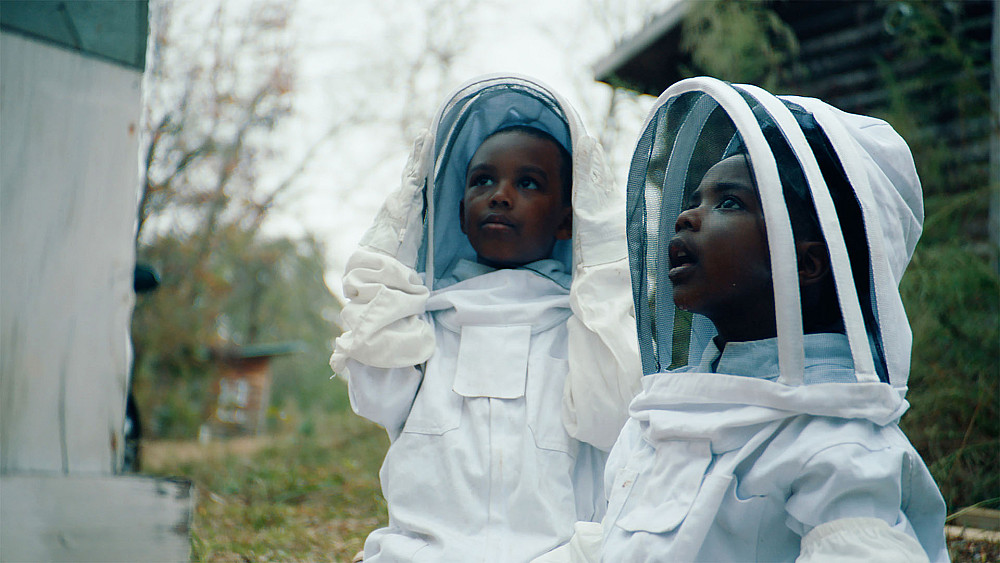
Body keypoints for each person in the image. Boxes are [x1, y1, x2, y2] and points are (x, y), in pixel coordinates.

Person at [537, 77, 948, 562]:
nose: (687, 217)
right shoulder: (659, 417)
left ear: (807, 263)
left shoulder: (840, 446)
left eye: (728, 202)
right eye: (694, 199)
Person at [331, 74, 641, 562]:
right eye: (482, 180)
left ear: (568, 218)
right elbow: (374, 394)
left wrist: (600, 297)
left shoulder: (586, 330)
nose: (500, 195)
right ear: (455, 210)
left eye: (528, 183)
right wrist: (395, 247)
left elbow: (613, 417)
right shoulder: (421, 324)